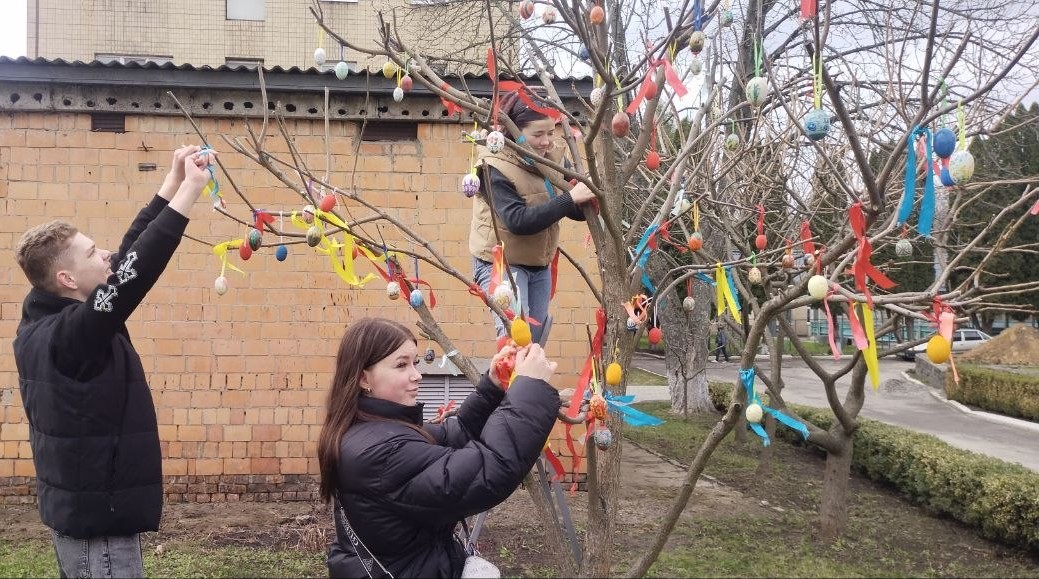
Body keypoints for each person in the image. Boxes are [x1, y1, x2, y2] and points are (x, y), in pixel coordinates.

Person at [13, 145, 213, 578]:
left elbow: (125, 261)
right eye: (91, 253)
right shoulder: (69, 338)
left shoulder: (46, 315)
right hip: (98, 529)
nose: (104, 254)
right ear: (67, 279)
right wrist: (189, 195)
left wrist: (171, 183)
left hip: (88, 516)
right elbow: (132, 276)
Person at [318, 318, 561, 578]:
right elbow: (488, 471)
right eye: (401, 365)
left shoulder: (380, 429)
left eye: (415, 363)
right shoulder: (382, 452)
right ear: (363, 378)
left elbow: (458, 433)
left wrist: (493, 387)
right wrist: (530, 388)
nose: (417, 375)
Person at [469, 90, 596, 344]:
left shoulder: (553, 158)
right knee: (517, 340)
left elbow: (571, 208)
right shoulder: (494, 166)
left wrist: (589, 199)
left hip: (538, 264)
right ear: (514, 132)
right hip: (502, 263)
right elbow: (518, 221)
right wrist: (571, 197)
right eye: (537, 135)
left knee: (535, 341)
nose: (546, 142)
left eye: (551, 132)